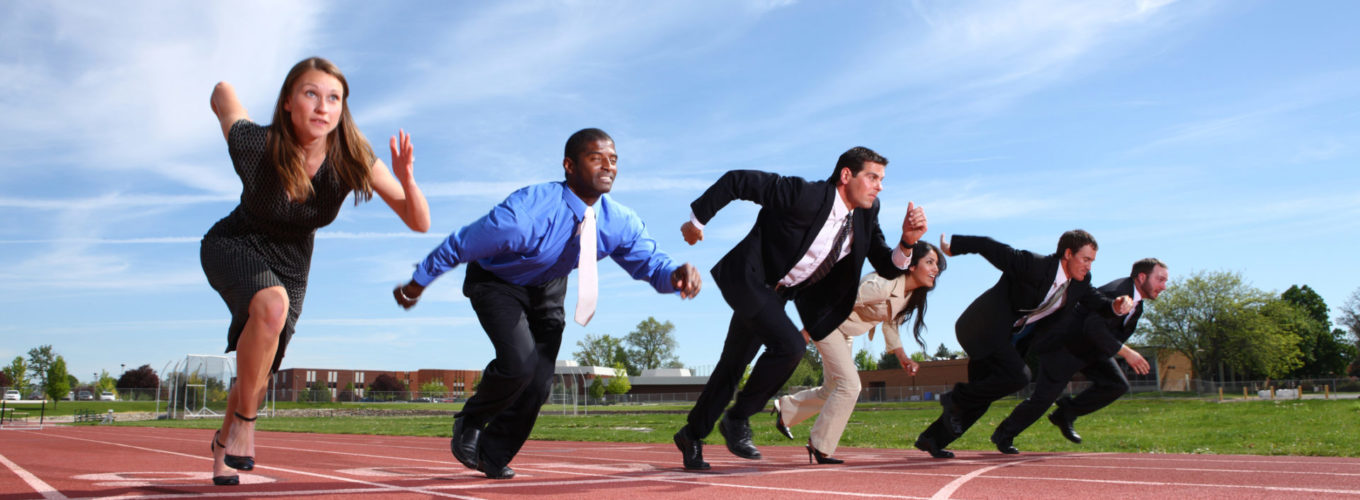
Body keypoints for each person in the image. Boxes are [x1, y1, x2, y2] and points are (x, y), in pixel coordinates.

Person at [393, 128, 701, 479]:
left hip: (548, 286)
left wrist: (674, 274)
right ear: (569, 166)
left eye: (613, 159)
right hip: (497, 282)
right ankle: (472, 419)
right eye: (595, 157)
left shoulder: (618, 221)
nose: (608, 166)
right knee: (519, 364)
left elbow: (650, 264)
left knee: (539, 381)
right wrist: (417, 284)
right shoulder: (524, 215)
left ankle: (493, 454)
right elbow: (460, 244)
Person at [202, 57, 430, 486]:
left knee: (261, 371)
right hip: (234, 244)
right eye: (311, 94)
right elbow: (221, 94)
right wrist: (228, 93)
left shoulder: (352, 158)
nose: (323, 107)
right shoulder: (257, 144)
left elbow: (418, 221)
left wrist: (407, 179)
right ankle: (247, 425)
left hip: (292, 262)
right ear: (288, 101)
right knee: (272, 306)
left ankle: (222, 443)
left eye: (333, 98)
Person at [673, 146, 927, 471]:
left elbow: (883, 262)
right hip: (749, 278)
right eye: (873, 177)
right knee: (790, 346)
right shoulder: (802, 194)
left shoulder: (866, 212)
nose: (880, 186)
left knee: (733, 366)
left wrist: (906, 242)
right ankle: (736, 420)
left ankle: (691, 434)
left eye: (882, 179)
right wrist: (697, 221)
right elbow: (738, 181)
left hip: (780, 294)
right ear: (846, 176)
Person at [913, 230, 1133, 459]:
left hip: (1009, 339)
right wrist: (953, 247)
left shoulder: (1079, 282)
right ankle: (954, 398)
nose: (1089, 266)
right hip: (982, 327)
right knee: (1018, 376)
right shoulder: (1034, 265)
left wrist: (1115, 307)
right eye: (1086, 259)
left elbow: (1096, 301)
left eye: (1092, 261)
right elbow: (989, 245)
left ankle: (933, 438)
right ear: (1068, 254)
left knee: (983, 391)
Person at [774, 240, 946, 464]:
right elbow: (842, 299)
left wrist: (903, 357)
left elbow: (890, 324)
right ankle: (820, 445)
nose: (936, 269)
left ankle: (785, 410)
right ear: (912, 265)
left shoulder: (908, 294)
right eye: (930, 262)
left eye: (938, 265)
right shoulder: (882, 284)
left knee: (833, 388)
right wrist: (807, 331)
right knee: (850, 385)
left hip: (845, 330)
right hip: (828, 324)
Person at [990, 258, 1168, 452]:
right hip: (1064, 346)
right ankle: (1004, 434)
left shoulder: (1137, 304)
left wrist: (1116, 350)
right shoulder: (1116, 292)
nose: (1164, 286)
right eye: (1160, 280)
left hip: (1092, 349)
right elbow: (1092, 327)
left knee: (1116, 384)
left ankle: (1065, 413)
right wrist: (1126, 353)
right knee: (1043, 399)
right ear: (1142, 277)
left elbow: (1112, 333)